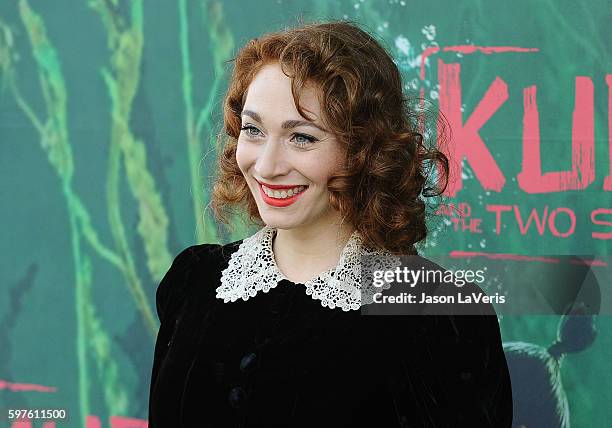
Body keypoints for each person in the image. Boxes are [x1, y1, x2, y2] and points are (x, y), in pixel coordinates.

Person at [148, 20, 513, 427]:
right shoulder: (194, 281)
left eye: (301, 137)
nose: (267, 165)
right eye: (253, 130)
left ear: (365, 150)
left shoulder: (441, 318)